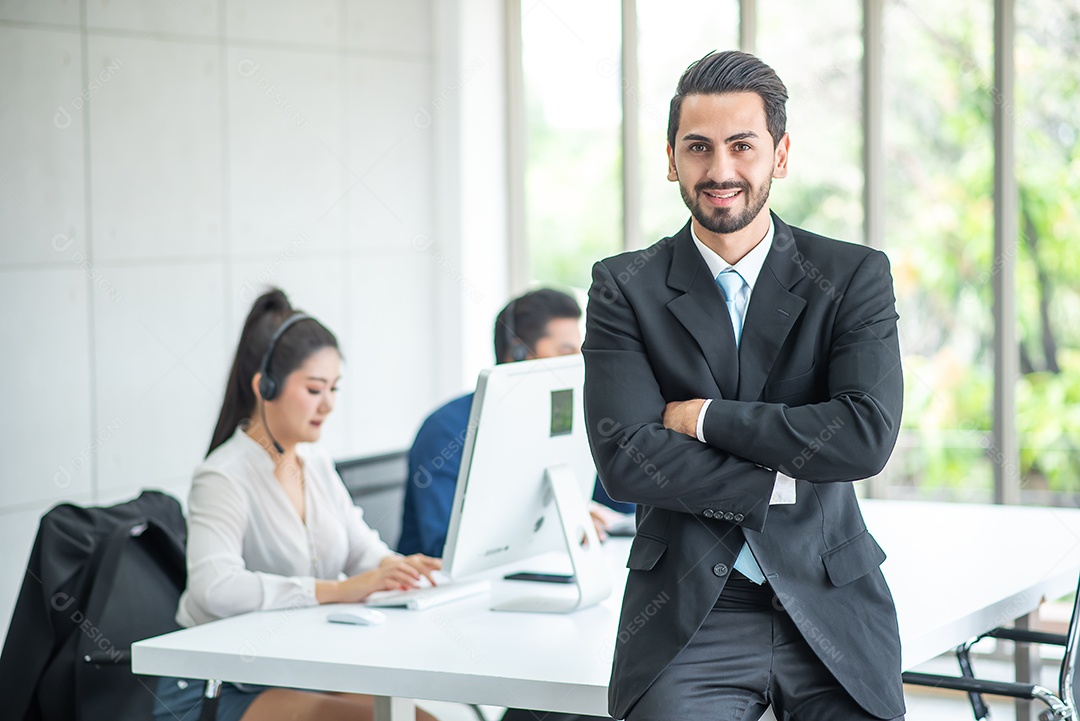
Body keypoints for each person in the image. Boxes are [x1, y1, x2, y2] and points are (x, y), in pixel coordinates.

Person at [583, 51, 905, 721]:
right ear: (671, 157)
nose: (720, 170)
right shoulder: (624, 287)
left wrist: (702, 418)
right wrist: (782, 477)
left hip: (828, 595)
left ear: (779, 155)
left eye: (742, 146)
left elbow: (864, 437)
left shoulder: (850, 276)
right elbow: (627, 459)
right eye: (698, 147)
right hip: (687, 615)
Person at [155, 288, 441, 721]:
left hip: (295, 667)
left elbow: (360, 549)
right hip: (219, 684)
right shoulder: (222, 475)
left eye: (334, 388)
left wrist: (396, 569)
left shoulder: (315, 462)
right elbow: (213, 587)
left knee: (421, 718)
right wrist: (335, 591)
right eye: (313, 389)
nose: (327, 404)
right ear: (264, 386)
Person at [397, 287, 633, 560]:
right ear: (519, 353)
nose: (577, 366)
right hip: (439, 591)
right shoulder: (447, 430)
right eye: (565, 352)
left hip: (530, 576)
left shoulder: (555, 420)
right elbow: (445, 545)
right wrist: (558, 529)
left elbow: (622, 503)